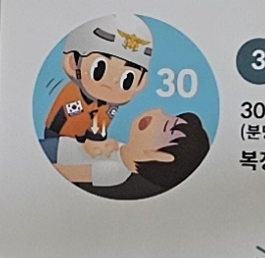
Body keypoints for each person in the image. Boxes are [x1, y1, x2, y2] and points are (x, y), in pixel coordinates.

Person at [41, 15, 185, 195]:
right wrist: (93, 143)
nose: (112, 83)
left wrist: (93, 143)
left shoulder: (117, 172)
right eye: (99, 68)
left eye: (127, 79)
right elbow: (62, 126)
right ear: (72, 63)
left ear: (140, 83)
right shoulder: (72, 95)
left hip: (60, 154)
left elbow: (64, 172)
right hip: (58, 144)